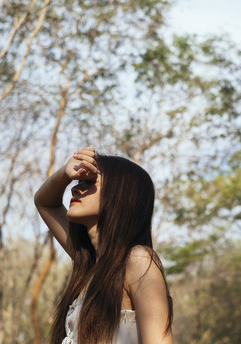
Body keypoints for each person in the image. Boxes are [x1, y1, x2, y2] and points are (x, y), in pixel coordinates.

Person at [34, 147, 173, 344]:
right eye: (78, 181)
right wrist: (66, 173)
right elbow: (44, 201)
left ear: (122, 194)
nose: (75, 188)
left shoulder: (137, 260)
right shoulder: (89, 264)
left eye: (89, 181)